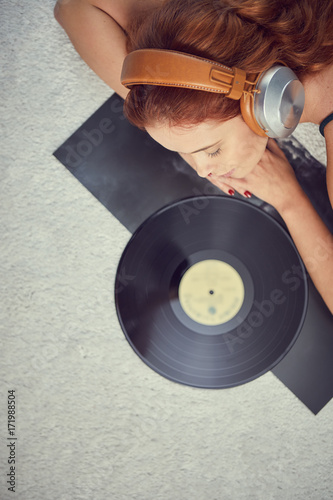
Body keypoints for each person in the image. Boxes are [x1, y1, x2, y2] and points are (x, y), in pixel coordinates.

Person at [54, 0, 333, 313]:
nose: (203, 170)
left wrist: (290, 201)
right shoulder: (217, 22)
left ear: (267, 104)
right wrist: (170, 113)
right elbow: (71, 7)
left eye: (211, 149)